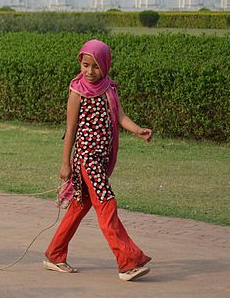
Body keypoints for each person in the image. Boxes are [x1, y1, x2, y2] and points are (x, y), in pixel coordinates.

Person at [44, 39, 152, 281]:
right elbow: (70, 130)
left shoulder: (109, 89)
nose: (90, 72)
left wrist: (138, 130)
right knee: (107, 205)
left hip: (102, 160)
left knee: (79, 207)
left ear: (105, 65)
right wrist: (65, 163)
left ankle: (54, 254)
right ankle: (128, 261)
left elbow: (120, 116)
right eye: (85, 65)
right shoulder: (77, 91)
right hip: (86, 160)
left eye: (95, 66)